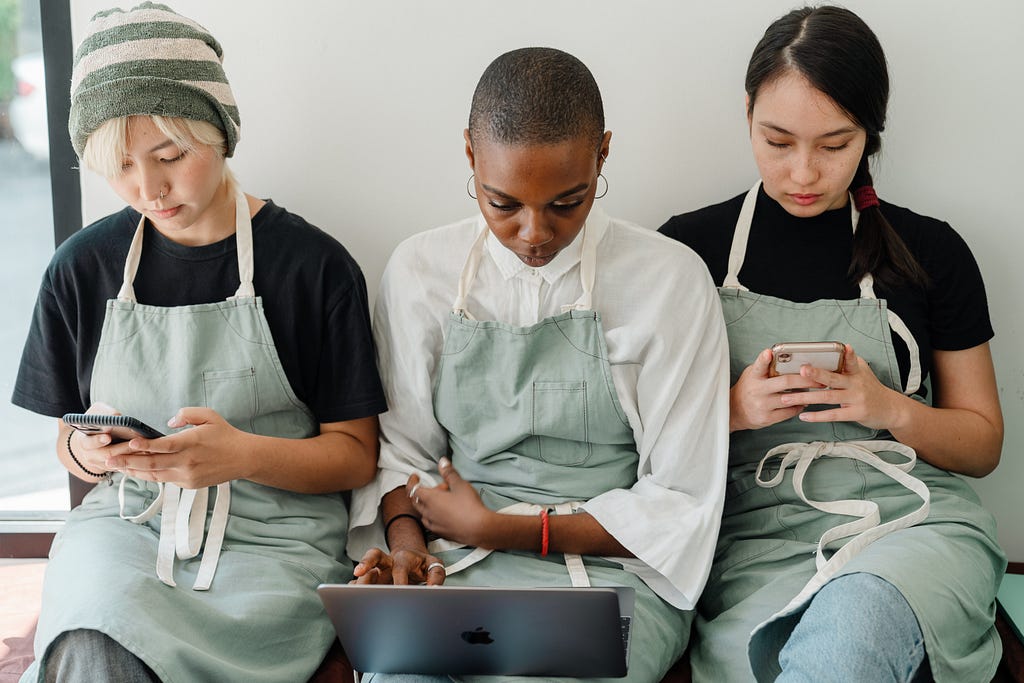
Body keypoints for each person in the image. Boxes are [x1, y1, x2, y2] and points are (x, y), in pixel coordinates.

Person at [11, 3, 386, 681]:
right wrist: (92, 452)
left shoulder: (314, 266)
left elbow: (356, 456)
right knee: (94, 636)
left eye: (170, 155)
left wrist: (240, 454)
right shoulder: (81, 267)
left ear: (220, 129)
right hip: (128, 528)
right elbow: (63, 438)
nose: (148, 188)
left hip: (275, 543)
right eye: (120, 166)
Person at [346, 47, 730, 682]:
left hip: (612, 578)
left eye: (567, 203)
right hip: (457, 562)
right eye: (502, 204)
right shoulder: (420, 271)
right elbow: (403, 454)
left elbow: (680, 501)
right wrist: (410, 554)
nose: (534, 233)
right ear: (470, 153)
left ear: (603, 154)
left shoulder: (669, 280)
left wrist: (507, 529)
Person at [659, 6, 1006, 682]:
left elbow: (983, 444)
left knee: (853, 625)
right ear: (747, 113)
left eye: (835, 144)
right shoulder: (685, 252)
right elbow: (635, 449)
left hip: (916, 526)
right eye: (778, 140)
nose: (804, 172)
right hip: (753, 543)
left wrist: (887, 406)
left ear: (869, 135)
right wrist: (729, 411)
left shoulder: (932, 250)